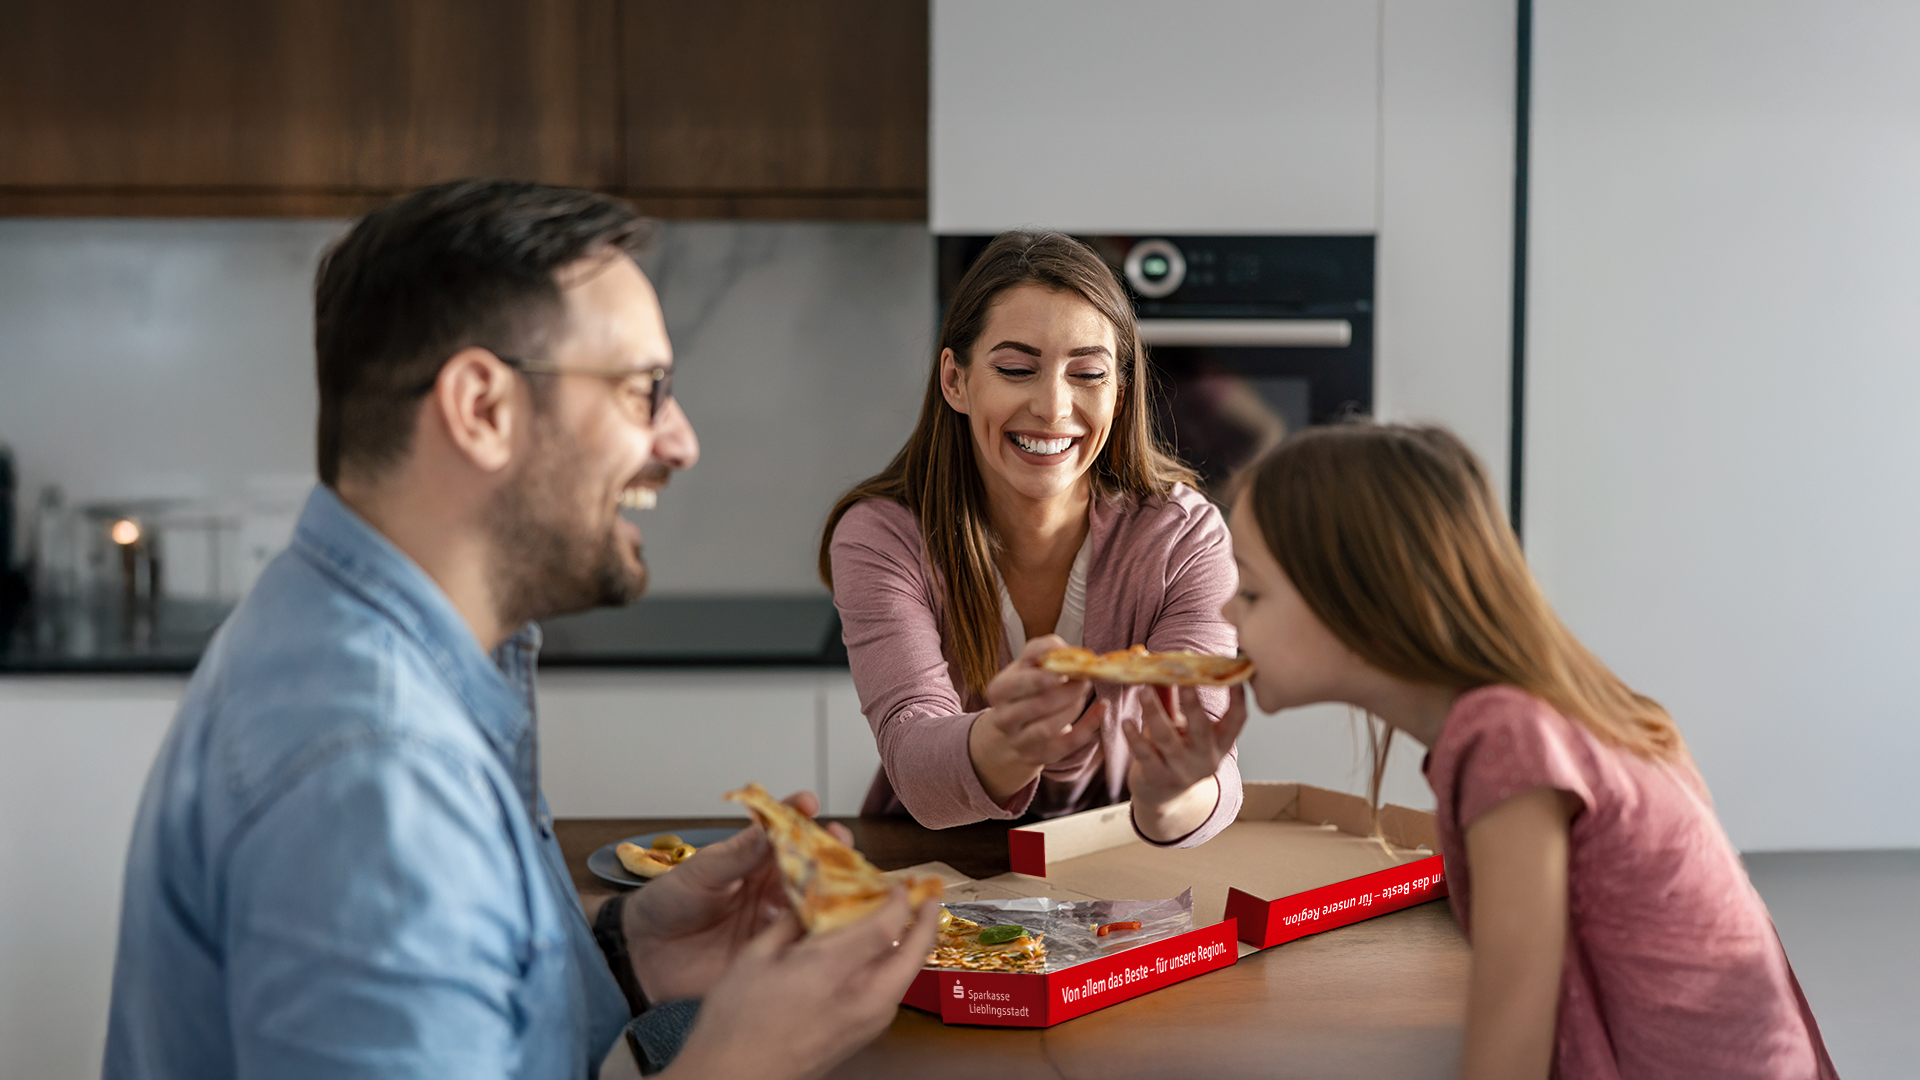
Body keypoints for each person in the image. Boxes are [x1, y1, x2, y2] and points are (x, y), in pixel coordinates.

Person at [103, 180, 939, 1080]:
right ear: (483, 409)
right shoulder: (376, 771)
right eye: (643, 390)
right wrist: (737, 1063)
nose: (681, 441)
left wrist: (623, 952)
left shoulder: (373, 638)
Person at [1220, 421, 1836, 1079]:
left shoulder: (1507, 739)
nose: (1228, 614)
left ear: (1361, 605)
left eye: (1251, 592)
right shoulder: (1532, 715)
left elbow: (1506, 1058)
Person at [821, 231, 1247, 846]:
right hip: (937, 862)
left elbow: (1207, 754)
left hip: (1118, 859)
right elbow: (912, 756)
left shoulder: (1184, 538)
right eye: (1017, 369)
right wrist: (1004, 741)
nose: (1052, 407)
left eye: (1089, 373)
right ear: (955, 381)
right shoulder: (885, 536)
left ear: (1119, 393)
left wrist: (1172, 792)